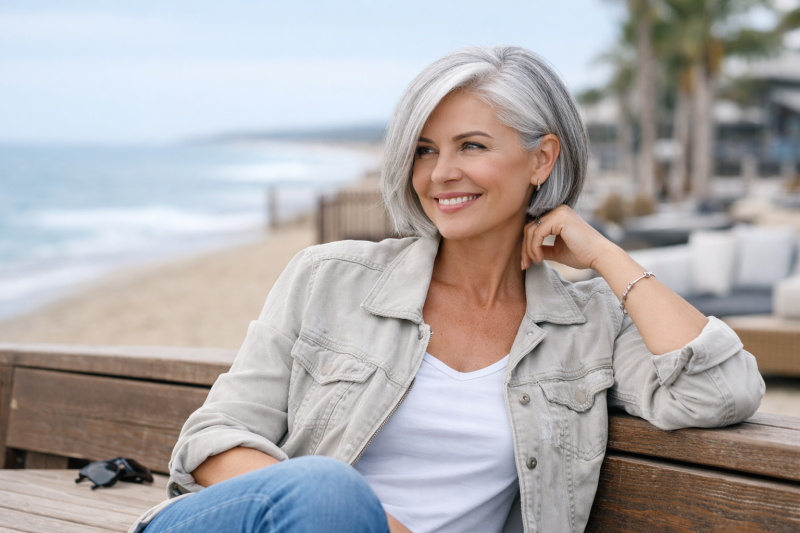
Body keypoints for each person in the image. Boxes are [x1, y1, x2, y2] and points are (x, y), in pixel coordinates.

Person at [133, 45, 764, 533]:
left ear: (542, 159)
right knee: (329, 491)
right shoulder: (329, 276)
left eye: (472, 146)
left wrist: (605, 256)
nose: (441, 174)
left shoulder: (589, 324)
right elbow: (212, 443)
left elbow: (718, 391)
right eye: (425, 150)